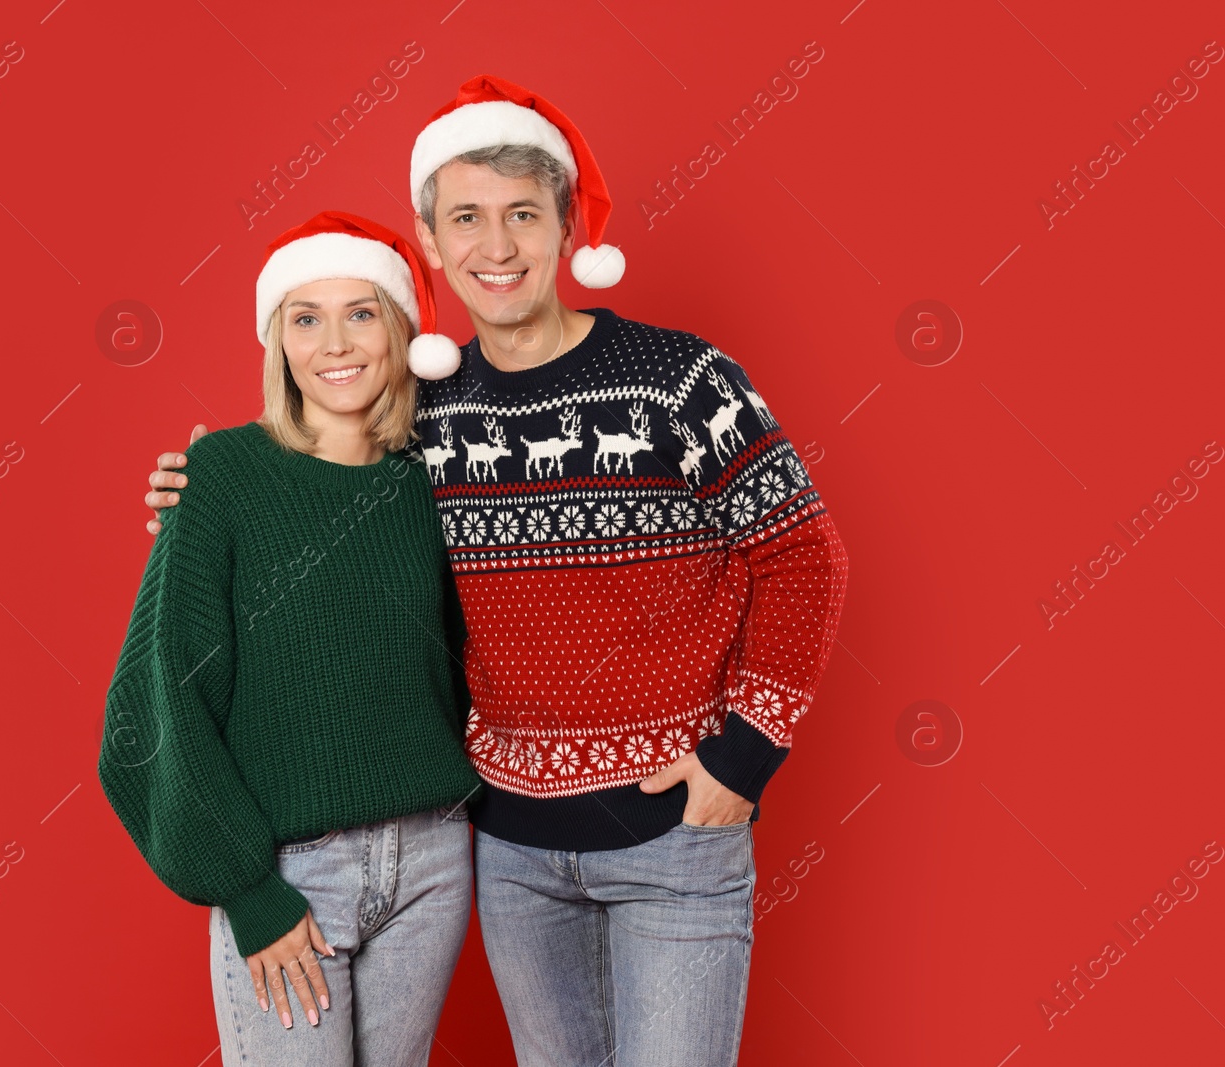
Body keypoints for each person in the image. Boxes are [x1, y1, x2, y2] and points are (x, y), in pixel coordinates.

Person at [144, 76, 849, 1066]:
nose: (498, 245)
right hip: (511, 848)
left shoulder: (683, 378)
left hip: (674, 839)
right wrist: (203, 483)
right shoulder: (423, 420)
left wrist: (745, 754)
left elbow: (802, 552)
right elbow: (322, 494)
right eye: (466, 217)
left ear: (566, 228)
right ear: (430, 243)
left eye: (523, 214)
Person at [100, 211, 481, 1066]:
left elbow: (475, 658)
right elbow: (159, 703)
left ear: (403, 331)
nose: (334, 342)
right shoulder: (222, 477)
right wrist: (247, 891)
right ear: (277, 340)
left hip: (431, 865)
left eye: (362, 312)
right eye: (305, 317)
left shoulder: (437, 483)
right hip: (289, 871)